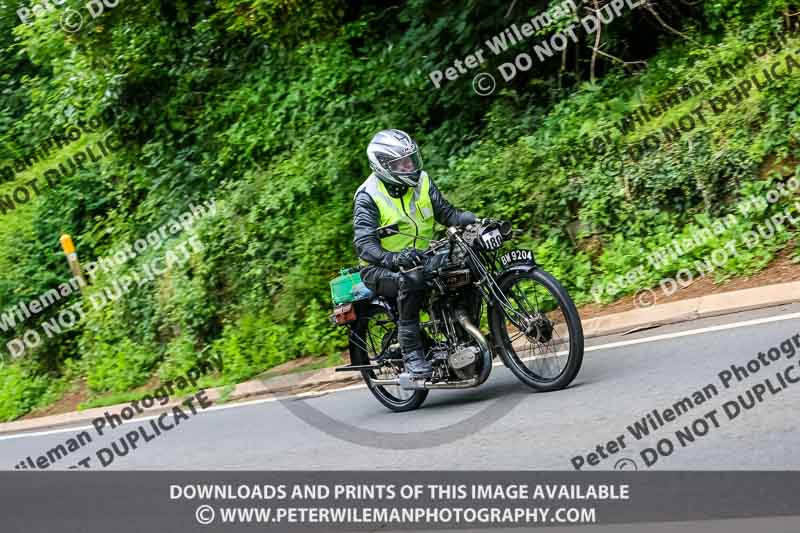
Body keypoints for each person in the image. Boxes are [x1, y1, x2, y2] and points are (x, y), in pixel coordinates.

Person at [352, 129, 478, 379]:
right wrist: (393, 258)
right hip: (380, 268)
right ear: (384, 165)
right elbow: (364, 243)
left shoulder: (422, 181)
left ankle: (463, 332)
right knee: (412, 279)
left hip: (422, 255)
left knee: (467, 264)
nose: (409, 166)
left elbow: (447, 214)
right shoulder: (368, 195)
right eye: (401, 163)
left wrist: (473, 220)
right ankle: (412, 355)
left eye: (411, 159)